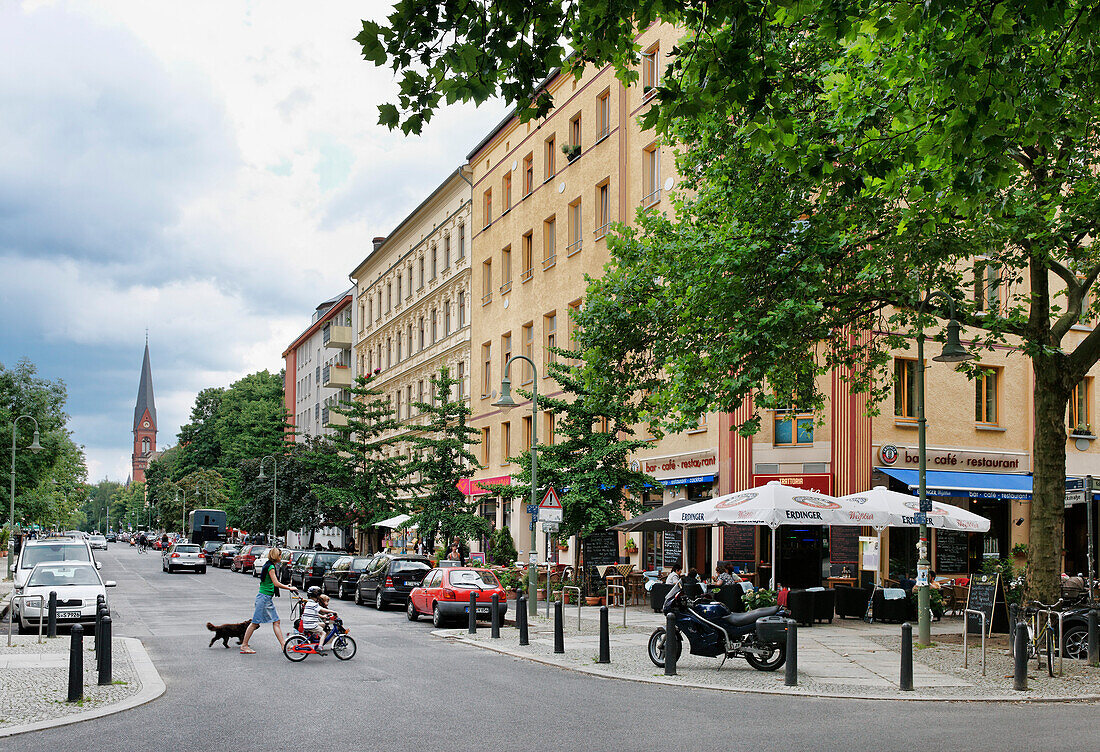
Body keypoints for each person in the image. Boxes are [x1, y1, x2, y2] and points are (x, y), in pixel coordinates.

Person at [239, 548, 297, 654]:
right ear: (276, 556)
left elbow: (271, 582)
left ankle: (284, 645)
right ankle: (244, 645)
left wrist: (286, 585)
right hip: (264, 598)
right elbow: (275, 583)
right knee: (255, 623)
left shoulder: (269, 564)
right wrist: (289, 588)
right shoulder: (271, 567)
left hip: (265, 598)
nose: (281, 557)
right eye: (280, 555)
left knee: (275, 621)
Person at [300, 586, 337, 653]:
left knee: (322, 625)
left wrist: (323, 616)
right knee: (323, 633)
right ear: (317, 596)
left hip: (307, 624)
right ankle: (320, 646)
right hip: (311, 624)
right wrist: (332, 611)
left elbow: (314, 613)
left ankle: (315, 637)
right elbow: (322, 609)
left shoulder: (308, 603)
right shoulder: (314, 604)